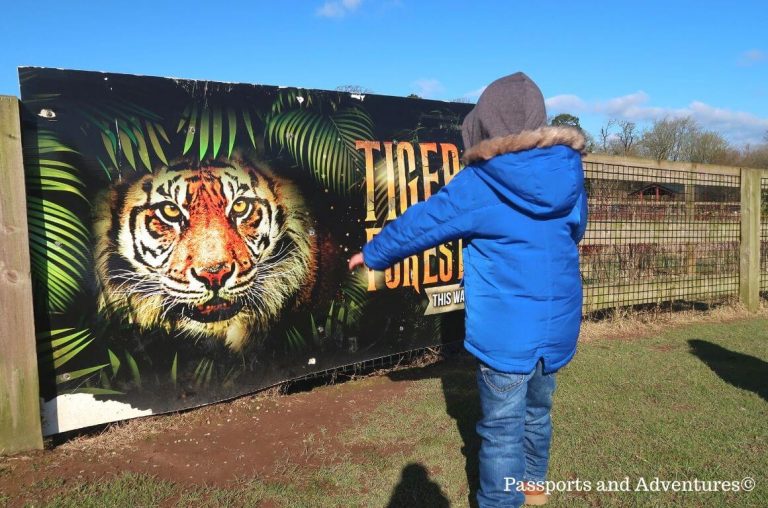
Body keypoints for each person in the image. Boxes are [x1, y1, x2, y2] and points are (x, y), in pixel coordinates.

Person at [348, 72, 587, 507]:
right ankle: (534, 485)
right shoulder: (569, 175)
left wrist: (376, 252)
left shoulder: (482, 183)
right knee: (538, 412)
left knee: (500, 431)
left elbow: (427, 222)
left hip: (505, 332)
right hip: (557, 325)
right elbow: (575, 232)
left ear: (487, 124)